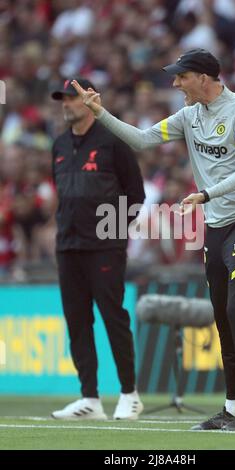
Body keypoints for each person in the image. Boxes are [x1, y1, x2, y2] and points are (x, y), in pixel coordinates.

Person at [72, 48, 235, 431]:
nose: (176, 83)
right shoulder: (190, 116)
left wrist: (207, 194)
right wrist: (101, 113)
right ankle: (233, 409)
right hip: (216, 225)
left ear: (204, 77)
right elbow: (143, 140)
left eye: (182, 76)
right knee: (222, 317)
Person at [51, 78, 145, 420]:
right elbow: (63, 194)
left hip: (105, 247)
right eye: (63, 98)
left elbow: (136, 195)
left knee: (112, 317)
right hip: (68, 246)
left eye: (73, 98)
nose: (65, 103)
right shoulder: (59, 145)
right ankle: (89, 397)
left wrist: (114, 235)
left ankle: (129, 394)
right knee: (77, 321)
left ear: (91, 100)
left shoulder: (113, 142)